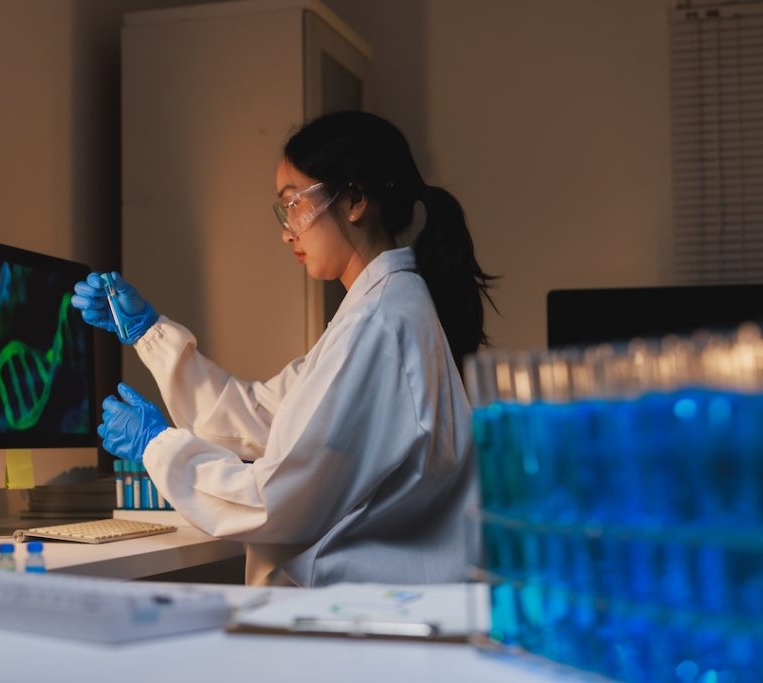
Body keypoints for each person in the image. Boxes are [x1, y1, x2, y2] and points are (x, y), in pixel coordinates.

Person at [72, 111, 495, 587]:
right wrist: (148, 332)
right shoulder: (379, 310)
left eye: (293, 203)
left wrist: (157, 445)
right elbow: (259, 413)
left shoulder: (378, 323)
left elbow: (276, 500)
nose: (286, 229)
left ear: (354, 199)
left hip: (357, 616)